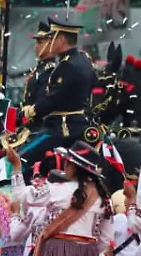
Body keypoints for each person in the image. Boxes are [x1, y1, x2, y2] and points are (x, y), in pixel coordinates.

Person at [18, 17, 97, 157]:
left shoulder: (67, 66)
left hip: (63, 129)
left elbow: (53, 99)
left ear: (61, 39)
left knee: (21, 157)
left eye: (52, 37)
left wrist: (29, 112)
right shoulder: (83, 59)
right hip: (79, 123)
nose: (50, 42)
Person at [20, 21, 57, 133]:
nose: (36, 46)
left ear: (50, 44)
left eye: (40, 42)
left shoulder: (52, 71)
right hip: (29, 124)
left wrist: (23, 115)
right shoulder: (39, 70)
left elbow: (43, 102)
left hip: (41, 127)